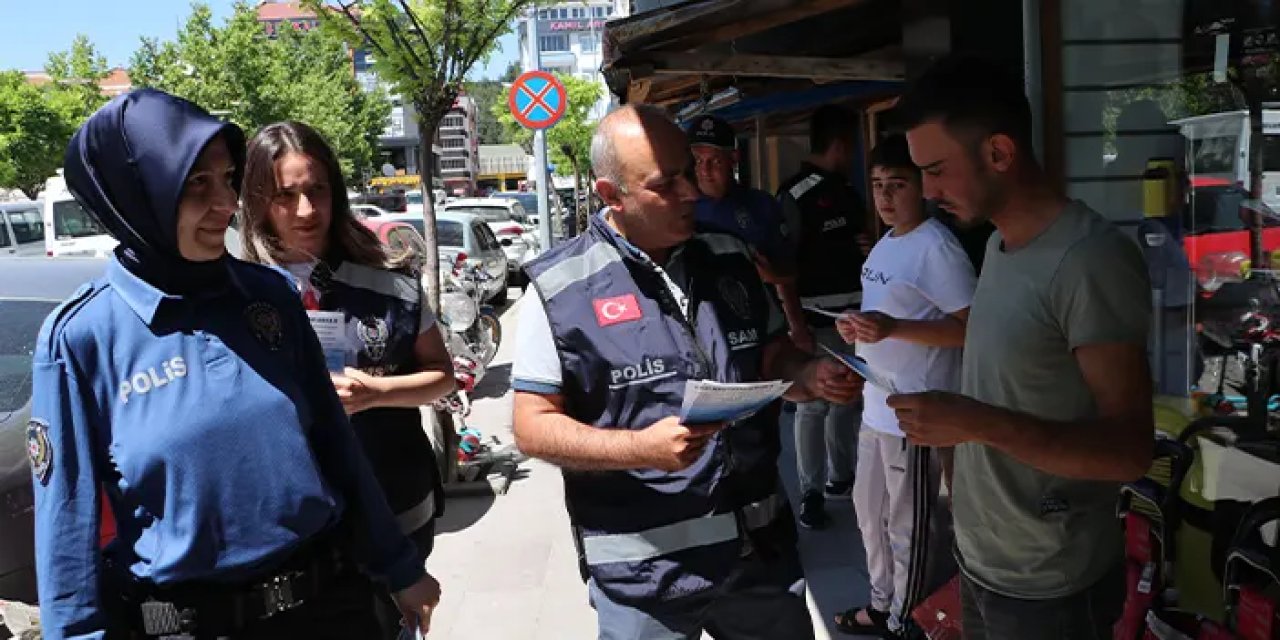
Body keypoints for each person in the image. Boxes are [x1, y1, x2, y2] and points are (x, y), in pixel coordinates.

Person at [30, 89, 441, 639]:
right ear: (139, 191)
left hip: (328, 610)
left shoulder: (267, 298)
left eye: (226, 179)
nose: (225, 203)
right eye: (197, 183)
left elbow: (336, 450)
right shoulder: (80, 339)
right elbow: (66, 531)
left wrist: (399, 566)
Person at [510, 104, 863, 639]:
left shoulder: (730, 257)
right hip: (645, 578)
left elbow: (769, 356)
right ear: (612, 195)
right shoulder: (560, 288)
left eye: (689, 173)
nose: (691, 194)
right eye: (665, 183)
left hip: (761, 560)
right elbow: (532, 425)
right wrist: (641, 449)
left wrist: (808, 375)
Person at [891, 55, 1154, 639]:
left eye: (936, 170)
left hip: (1051, 589)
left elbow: (1130, 452)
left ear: (999, 153)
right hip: (985, 566)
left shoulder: (1088, 259)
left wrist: (975, 421)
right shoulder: (998, 248)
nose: (926, 192)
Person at [237, 121, 456, 638]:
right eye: (286, 196)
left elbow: (442, 377)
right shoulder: (238, 296)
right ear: (257, 200)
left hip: (397, 508)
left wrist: (377, 393)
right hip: (291, 531)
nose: (307, 210)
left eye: (317, 190)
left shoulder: (391, 286)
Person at [831, 134, 973, 638]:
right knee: (868, 514)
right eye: (876, 186)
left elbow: (972, 328)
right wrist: (860, 328)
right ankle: (881, 602)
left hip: (915, 412)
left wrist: (893, 330)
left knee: (909, 527)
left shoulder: (938, 247)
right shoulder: (889, 242)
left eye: (897, 185)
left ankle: (904, 620)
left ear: (923, 187)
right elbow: (887, 317)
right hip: (876, 404)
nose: (886, 197)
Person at [776, 104, 871, 529]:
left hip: (858, 317)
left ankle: (841, 479)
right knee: (813, 405)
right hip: (816, 319)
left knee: (847, 400)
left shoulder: (848, 190)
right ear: (840, 145)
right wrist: (794, 323)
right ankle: (810, 493)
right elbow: (783, 268)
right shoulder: (795, 195)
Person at [685, 114, 796, 285]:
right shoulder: (680, 209)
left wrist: (772, 277)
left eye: (715, 161)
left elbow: (792, 270)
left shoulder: (762, 205)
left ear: (734, 159)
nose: (705, 170)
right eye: (698, 161)